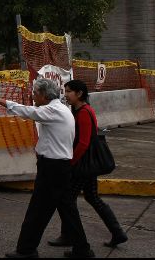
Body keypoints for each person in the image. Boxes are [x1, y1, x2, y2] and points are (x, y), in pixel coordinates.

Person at [0, 78, 94, 259]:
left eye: (35, 93)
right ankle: (82, 249)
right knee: (68, 209)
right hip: (60, 167)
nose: (33, 96)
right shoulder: (61, 109)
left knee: (38, 211)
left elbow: (27, 112)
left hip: (52, 168)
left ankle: (26, 250)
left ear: (43, 95)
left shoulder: (53, 110)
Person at [47, 80, 128, 249]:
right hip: (88, 165)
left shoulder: (83, 112)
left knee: (67, 200)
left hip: (82, 165)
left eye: (69, 91)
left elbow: (83, 143)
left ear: (79, 94)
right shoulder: (80, 109)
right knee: (92, 197)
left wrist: (70, 163)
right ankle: (117, 232)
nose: (66, 95)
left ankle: (70, 236)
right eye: (65, 91)